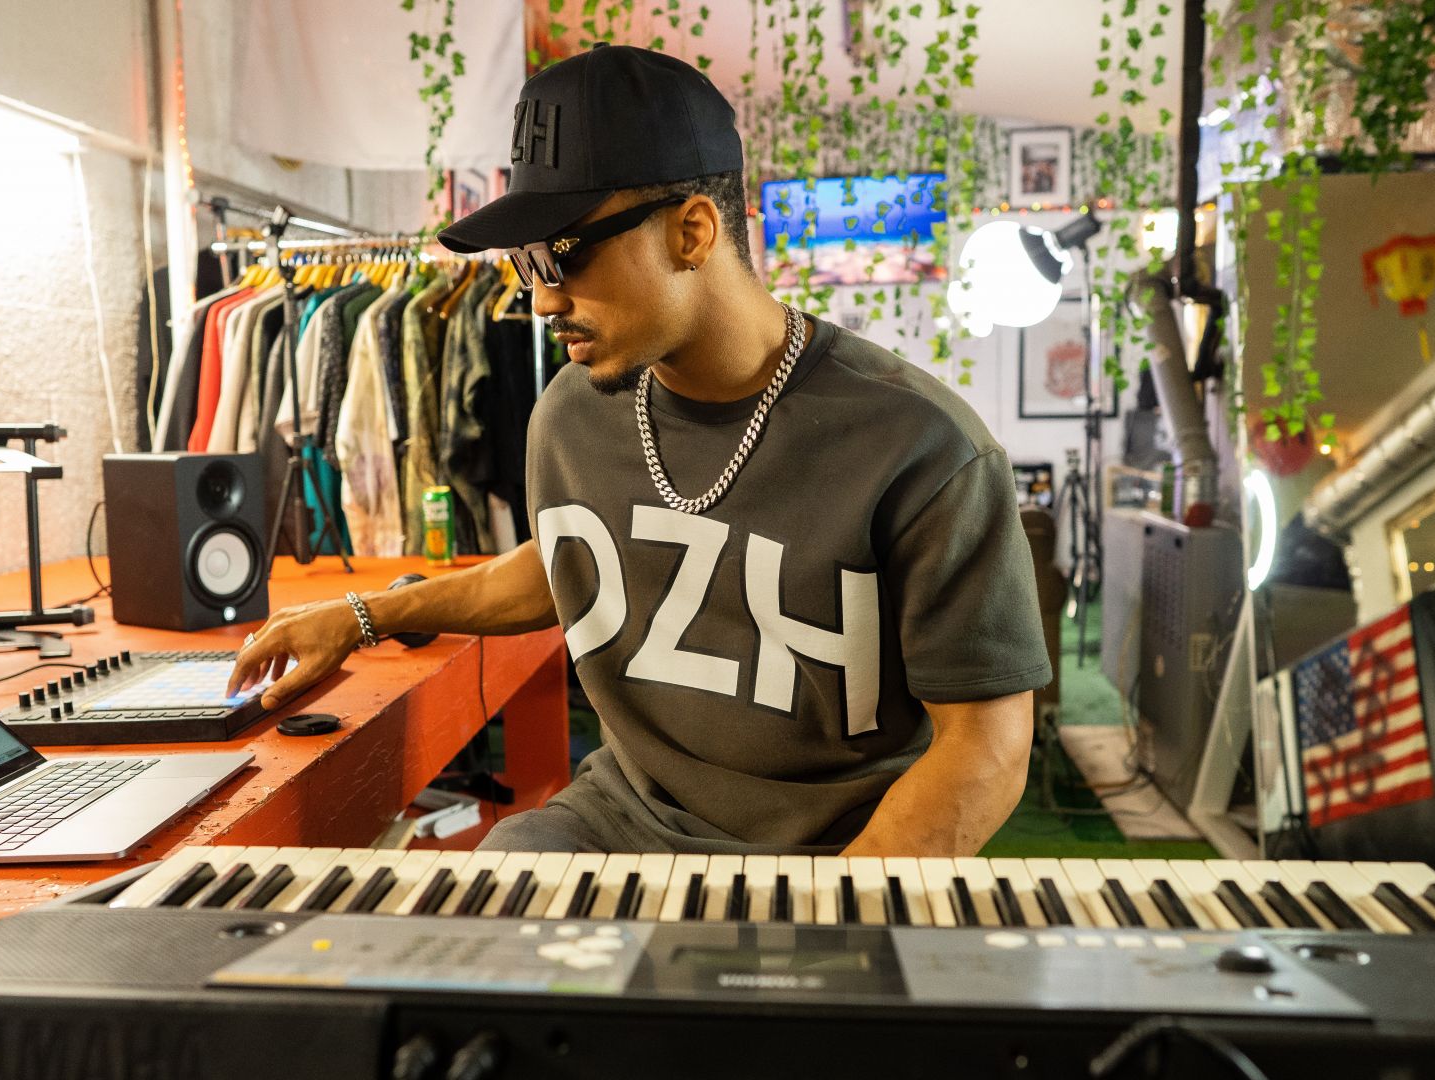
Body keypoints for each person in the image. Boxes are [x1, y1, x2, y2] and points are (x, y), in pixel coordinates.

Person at [228, 44, 1049, 856]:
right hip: (619, 823)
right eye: (525, 262)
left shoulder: (920, 447)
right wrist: (363, 615)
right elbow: (576, 557)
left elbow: (988, 745)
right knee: (480, 902)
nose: (542, 299)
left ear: (692, 231)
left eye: (564, 254)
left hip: (833, 848)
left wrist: (833, 905)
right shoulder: (572, 415)